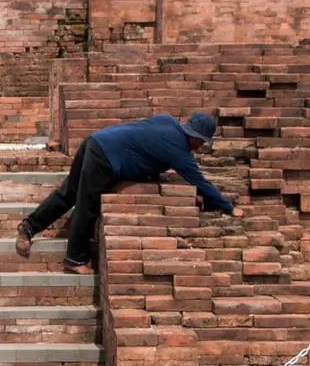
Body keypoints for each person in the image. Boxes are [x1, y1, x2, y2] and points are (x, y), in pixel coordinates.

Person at [16, 110, 235, 271]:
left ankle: (28, 227)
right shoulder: (179, 152)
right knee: (87, 205)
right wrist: (228, 207)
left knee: (69, 193)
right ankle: (75, 259)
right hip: (104, 157)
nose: (201, 147)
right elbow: (202, 182)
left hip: (95, 141)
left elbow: (144, 145)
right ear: (196, 137)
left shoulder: (167, 120)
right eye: (203, 142)